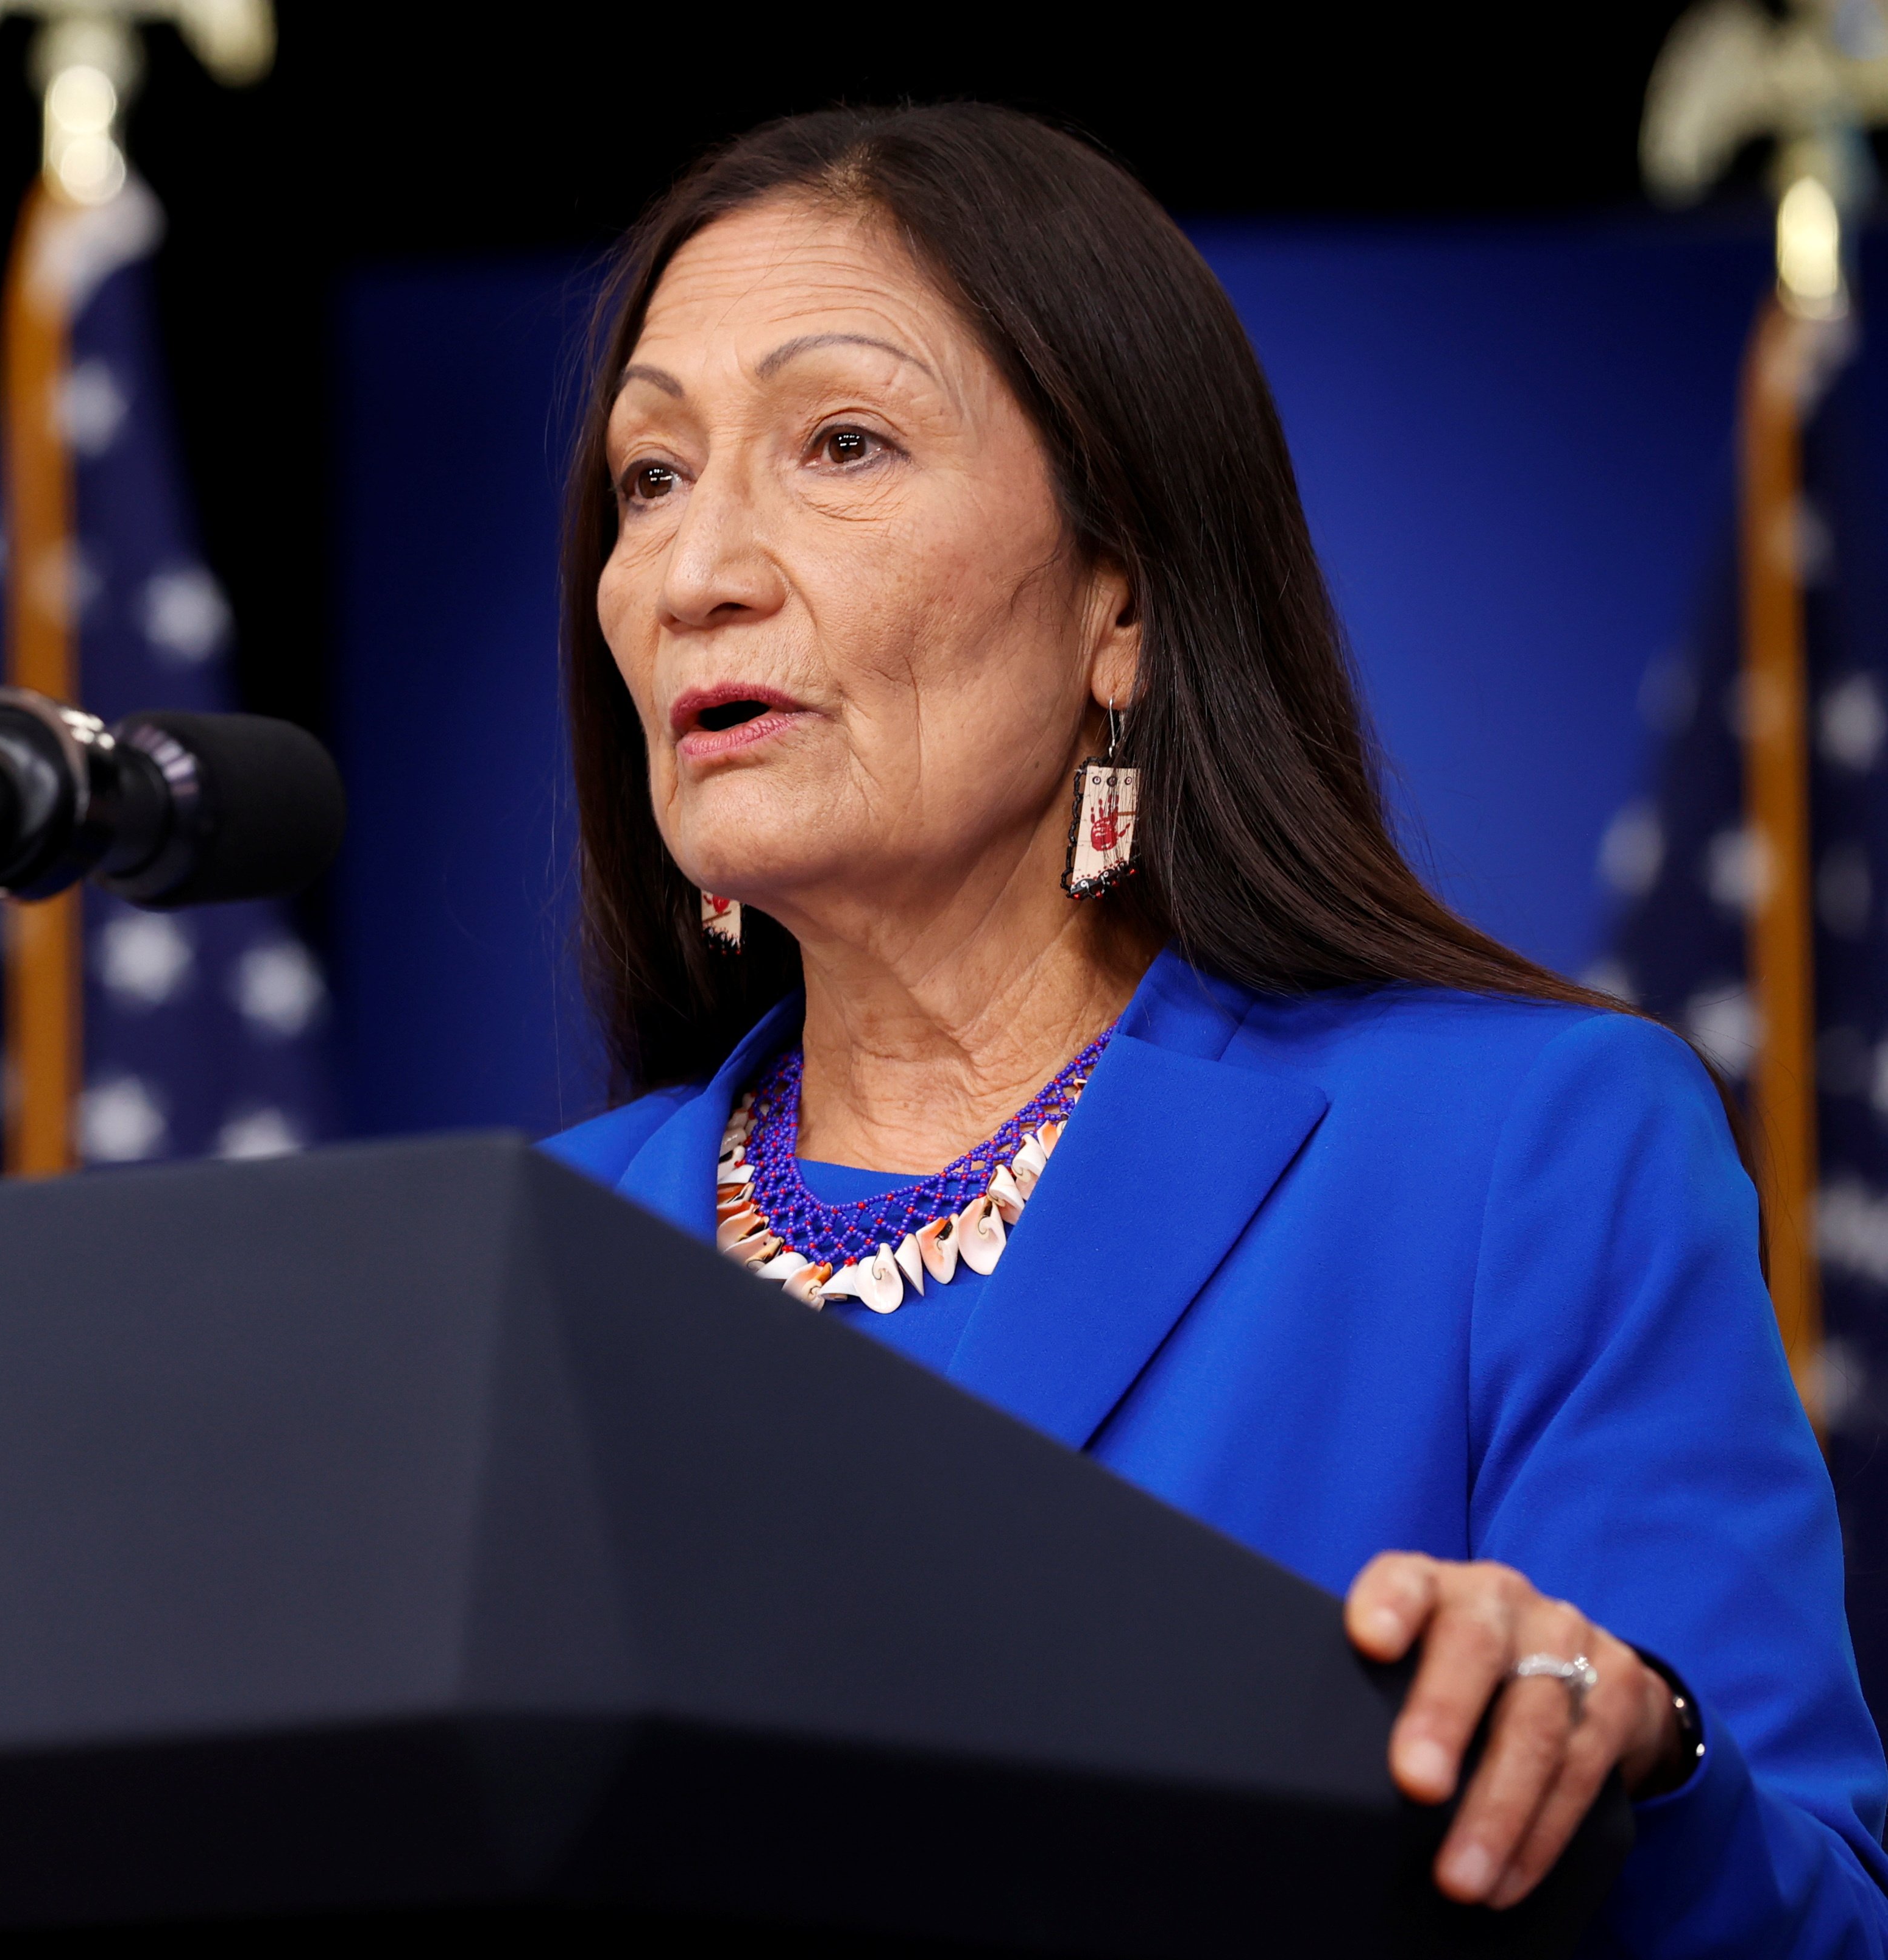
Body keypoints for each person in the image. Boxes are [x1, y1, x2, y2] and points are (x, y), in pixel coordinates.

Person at [540, 103, 1888, 1950]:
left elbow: (1827, 1918)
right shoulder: (538, 1258)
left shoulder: (1519, 1156)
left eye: (841, 443)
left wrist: (1635, 1757)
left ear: (1123, 598)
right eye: (651, 478)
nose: (697, 573)